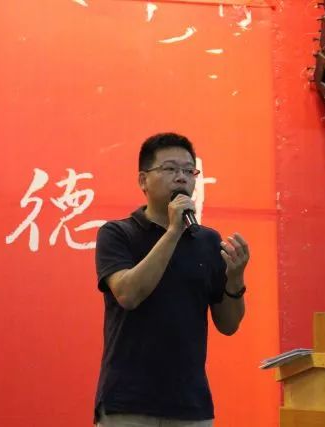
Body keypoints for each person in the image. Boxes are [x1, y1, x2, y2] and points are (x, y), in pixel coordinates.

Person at [94, 132, 249, 427]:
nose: (181, 178)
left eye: (189, 171)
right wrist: (174, 231)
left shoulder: (208, 241)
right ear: (143, 180)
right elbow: (128, 294)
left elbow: (228, 325)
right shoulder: (118, 234)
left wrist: (235, 278)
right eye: (170, 169)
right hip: (128, 404)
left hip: (191, 406)